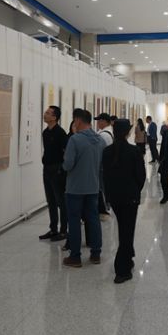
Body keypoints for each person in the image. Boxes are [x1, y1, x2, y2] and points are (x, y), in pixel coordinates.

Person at [102, 119, 146, 284]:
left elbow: (105, 176)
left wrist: (109, 195)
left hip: (115, 197)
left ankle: (128, 257)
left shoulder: (107, 152)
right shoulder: (134, 151)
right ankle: (122, 270)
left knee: (123, 228)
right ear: (128, 132)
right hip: (130, 197)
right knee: (127, 232)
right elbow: (141, 176)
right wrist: (135, 190)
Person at [62, 109, 105, 267]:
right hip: (93, 187)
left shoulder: (75, 140)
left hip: (75, 188)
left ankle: (75, 256)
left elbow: (68, 165)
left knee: (74, 221)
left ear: (78, 121)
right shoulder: (100, 140)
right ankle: (96, 254)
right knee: (93, 219)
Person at [40, 106, 68, 242]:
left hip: (57, 169)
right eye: (45, 112)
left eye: (48, 113)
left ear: (54, 117)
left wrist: (62, 169)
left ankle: (63, 230)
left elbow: (66, 152)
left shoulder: (60, 133)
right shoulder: (45, 132)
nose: (44, 114)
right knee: (50, 200)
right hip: (47, 169)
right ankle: (53, 229)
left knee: (60, 201)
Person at [94, 113, 114, 218]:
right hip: (107, 165)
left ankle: (105, 208)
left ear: (104, 121)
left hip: (102, 166)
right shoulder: (109, 132)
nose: (97, 123)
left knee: (102, 187)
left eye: (99, 120)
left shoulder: (103, 135)